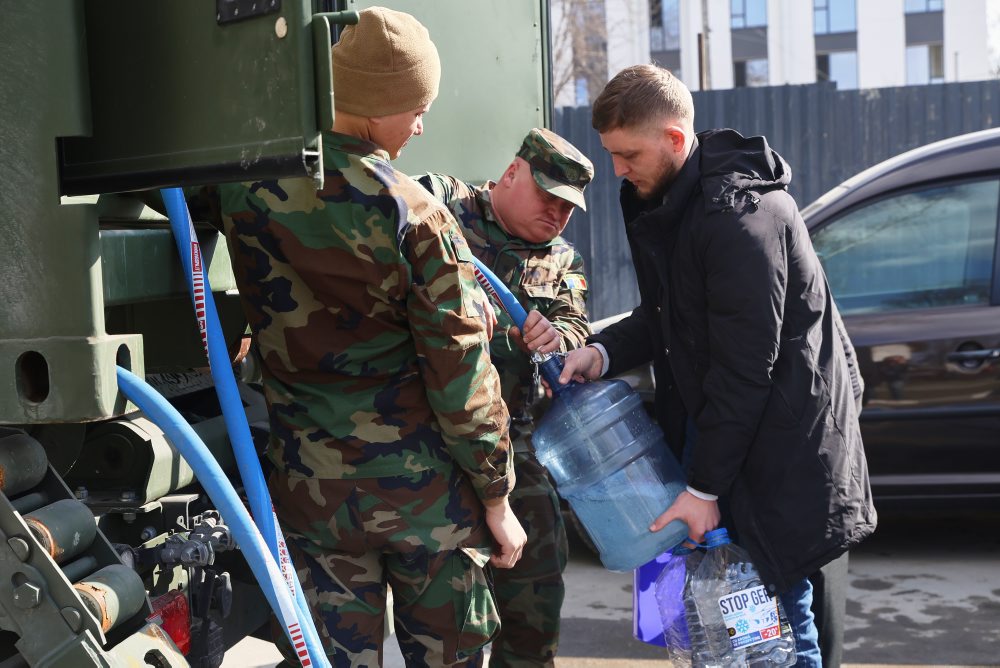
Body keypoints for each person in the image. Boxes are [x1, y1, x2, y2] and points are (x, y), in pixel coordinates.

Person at [191, 7, 526, 666]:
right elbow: (462, 378)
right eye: (415, 107)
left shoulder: (246, 189)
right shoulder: (417, 215)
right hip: (429, 506)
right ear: (376, 110)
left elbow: (175, 186)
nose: (422, 122)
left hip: (318, 507)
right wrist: (498, 496)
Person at [557, 64, 877, 667]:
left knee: (776, 633)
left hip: (776, 455)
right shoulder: (671, 201)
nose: (618, 171)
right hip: (730, 442)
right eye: (612, 155)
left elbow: (743, 368)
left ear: (676, 139)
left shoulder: (739, 221)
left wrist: (704, 487)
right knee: (731, 634)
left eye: (628, 155)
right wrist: (602, 353)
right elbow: (668, 317)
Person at [417, 127, 595, 668]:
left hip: (512, 441)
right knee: (446, 617)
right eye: (549, 198)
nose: (558, 216)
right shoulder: (445, 207)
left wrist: (557, 337)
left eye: (569, 208)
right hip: (427, 440)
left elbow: (574, 323)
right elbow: (396, 196)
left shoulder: (562, 260)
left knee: (537, 590)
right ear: (513, 174)